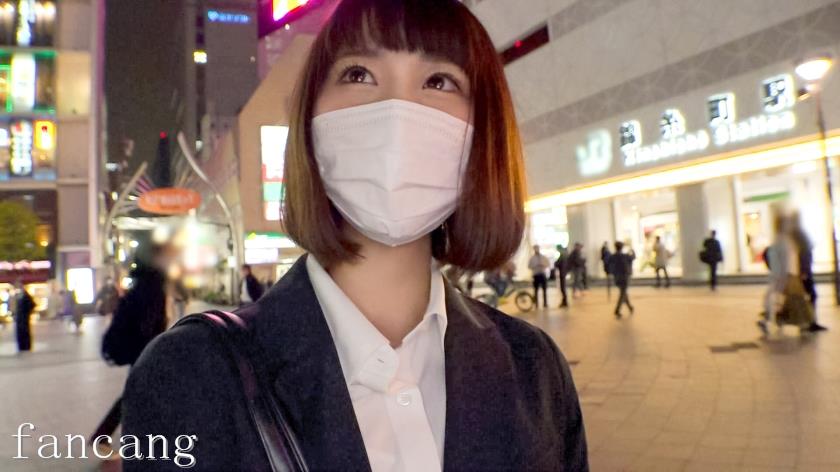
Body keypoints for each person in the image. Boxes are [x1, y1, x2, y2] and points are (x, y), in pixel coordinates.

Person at [122, 2, 588, 470]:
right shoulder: (190, 374)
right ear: (309, 123)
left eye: (439, 81)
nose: (397, 111)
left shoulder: (536, 369)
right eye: (359, 74)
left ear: (483, 133)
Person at [91, 246, 171, 454]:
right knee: (139, 394)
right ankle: (109, 436)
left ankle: (112, 436)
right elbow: (149, 325)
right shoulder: (153, 288)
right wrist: (156, 348)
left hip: (141, 349)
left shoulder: (142, 286)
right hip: (145, 351)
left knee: (141, 393)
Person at [790, 214, 827, 332]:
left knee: (808, 297)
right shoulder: (798, 234)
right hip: (804, 272)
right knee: (810, 296)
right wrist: (803, 272)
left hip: (804, 271)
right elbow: (803, 254)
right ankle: (809, 322)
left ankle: (808, 322)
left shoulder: (797, 234)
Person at [609, 241, 636, 318]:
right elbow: (633, 257)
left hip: (617, 278)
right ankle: (617, 310)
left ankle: (630, 307)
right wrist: (632, 250)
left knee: (623, 293)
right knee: (622, 293)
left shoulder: (613, 256)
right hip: (624, 277)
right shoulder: (625, 256)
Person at [13, 281, 35, 352]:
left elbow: (32, 305)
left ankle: (26, 346)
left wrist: (27, 312)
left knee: (25, 332)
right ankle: (21, 346)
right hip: (19, 318)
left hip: (24, 318)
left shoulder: (26, 296)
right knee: (20, 332)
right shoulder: (18, 295)